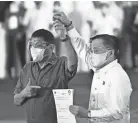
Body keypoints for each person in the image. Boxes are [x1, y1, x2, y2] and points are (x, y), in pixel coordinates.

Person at [53, 11, 133, 123]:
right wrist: (68, 25)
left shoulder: (118, 76)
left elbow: (117, 112)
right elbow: (81, 47)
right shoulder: (99, 68)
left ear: (110, 53)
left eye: (96, 50)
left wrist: (88, 113)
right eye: (91, 50)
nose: (91, 53)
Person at [14, 28, 78, 123]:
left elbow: (72, 64)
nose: (33, 49)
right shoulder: (27, 68)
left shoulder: (61, 63)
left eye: (38, 45)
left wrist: (64, 39)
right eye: (31, 45)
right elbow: (16, 101)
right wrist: (24, 93)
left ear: (51, 48)